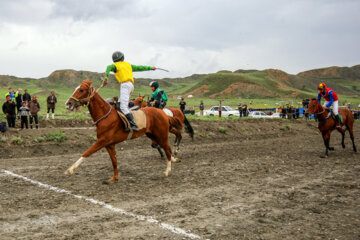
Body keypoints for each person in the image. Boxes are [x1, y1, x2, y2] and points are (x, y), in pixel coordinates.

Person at [104, 51, 156, 131]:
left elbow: (108, 67)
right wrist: (151, 68)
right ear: (123, 58)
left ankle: (133, 125)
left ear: (114, 60)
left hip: (125, 85)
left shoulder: (115, 65)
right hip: (131, 86)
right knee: (119, 105)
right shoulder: (128, 65)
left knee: (123, 107)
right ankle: (124, 124)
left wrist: (106, 78)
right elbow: (140, 68)